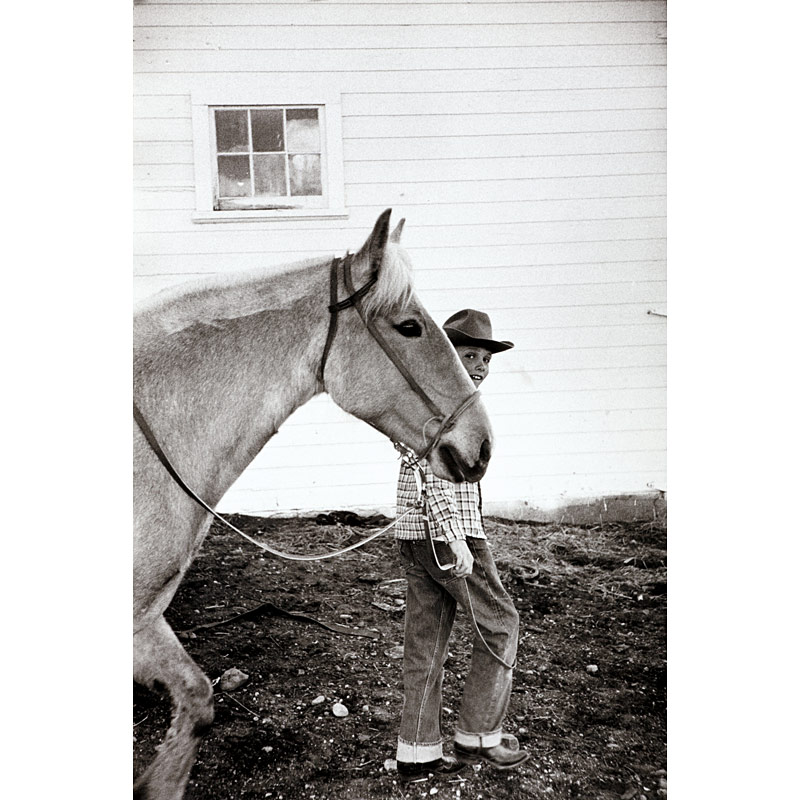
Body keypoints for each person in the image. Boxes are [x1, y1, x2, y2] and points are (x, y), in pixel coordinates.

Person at [393, 309, 530, 779]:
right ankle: (479, 736)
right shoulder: (442, 407)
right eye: (469, 355)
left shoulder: (430, 401)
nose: (479, 366)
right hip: (447, 537)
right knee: (501, 622)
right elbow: (430, 478)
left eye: (486, 359)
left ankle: (417, 751)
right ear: (447, 355)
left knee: (427, 643)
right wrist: (456, 540)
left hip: (418, 538)